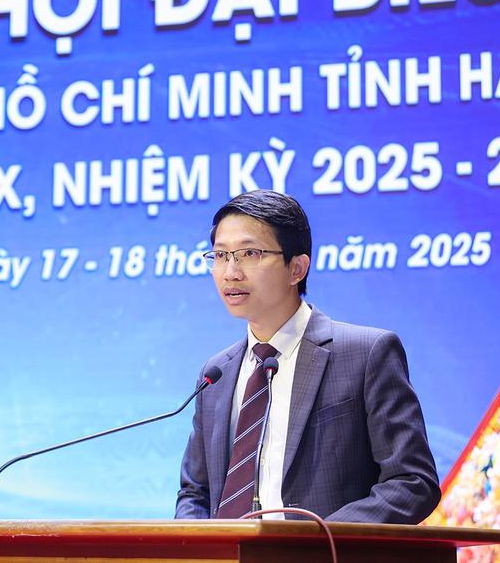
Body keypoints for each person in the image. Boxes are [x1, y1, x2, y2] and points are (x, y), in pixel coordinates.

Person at [175, 190, 440, 523]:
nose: (230, 272)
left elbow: (412, 482)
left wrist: (317, 540)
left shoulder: (365, 354)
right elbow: (195, 494)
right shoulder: (216, 374)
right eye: (220, 255)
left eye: (249, 253)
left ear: (297, 268)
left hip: (326, 549)